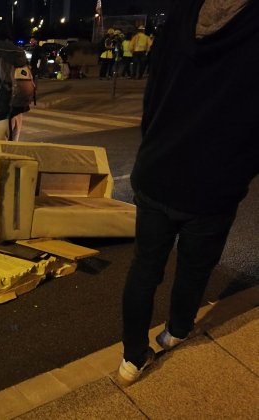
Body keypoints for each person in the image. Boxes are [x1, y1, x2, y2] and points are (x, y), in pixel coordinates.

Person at [118, 0, 259, 386]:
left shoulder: (182, 13)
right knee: (194, 268)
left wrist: (154, 145)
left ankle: (131, 358)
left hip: (158, 169)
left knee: (144, 268)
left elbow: (153, 93)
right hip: (213, 182)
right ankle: (176, 330)